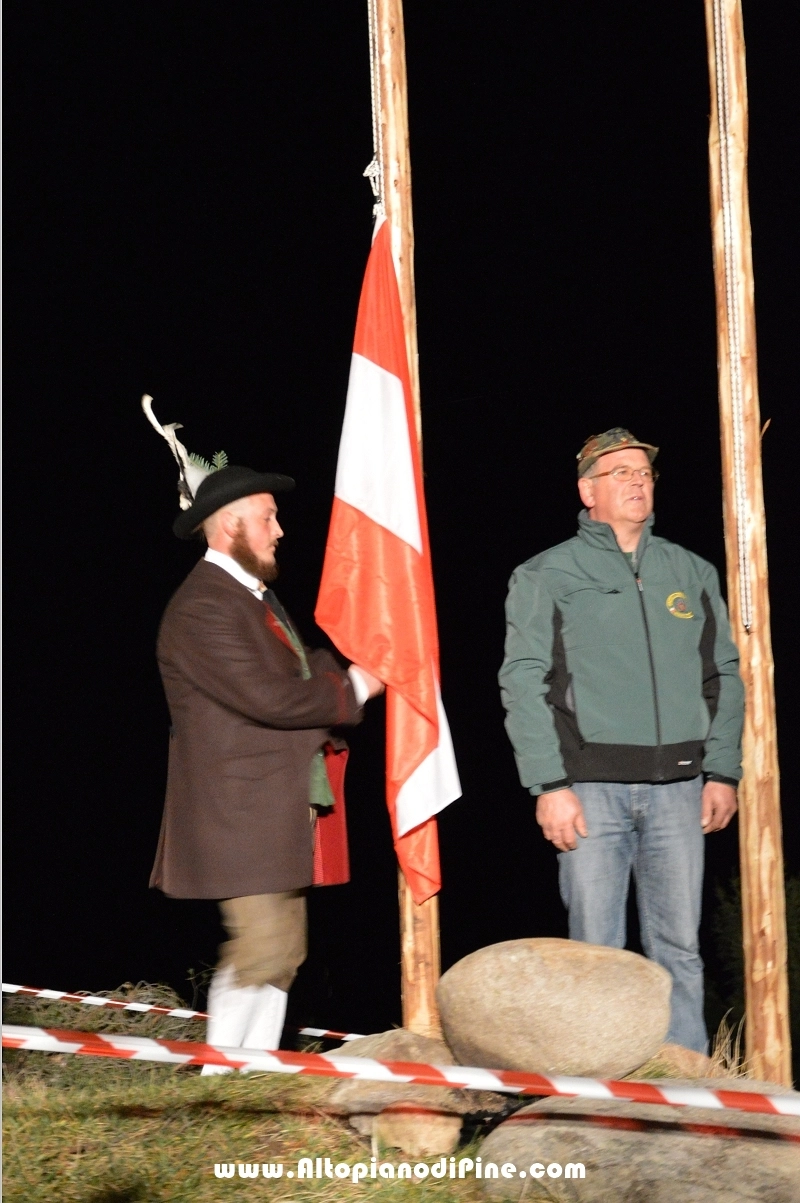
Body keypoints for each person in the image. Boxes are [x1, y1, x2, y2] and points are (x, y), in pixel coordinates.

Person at [145, 403, 382, 1067]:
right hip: (237, 812)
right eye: (268, 516)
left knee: (285, 951)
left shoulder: (251, 597)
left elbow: (300, 667)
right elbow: (270, 697)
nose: (280, 528)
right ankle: (225, 1081)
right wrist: (356, 684)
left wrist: (359, 657)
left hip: (271, 809)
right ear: (230, 525)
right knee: (261, 948)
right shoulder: (202, 607)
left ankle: (251, 1074)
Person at [499, 428, 744, 1052]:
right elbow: (523, 681)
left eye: (645, 473)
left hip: (681, 791)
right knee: (595, 952)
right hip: (589, 792)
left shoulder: (689, 571)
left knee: (679, 950)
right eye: (621, 472)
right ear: (588, 491)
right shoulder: (545, 573)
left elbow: (723, 675)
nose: (638, 481)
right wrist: (549, 785)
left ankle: (684, 1083)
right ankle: (595, 1084)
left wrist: (722, 771)